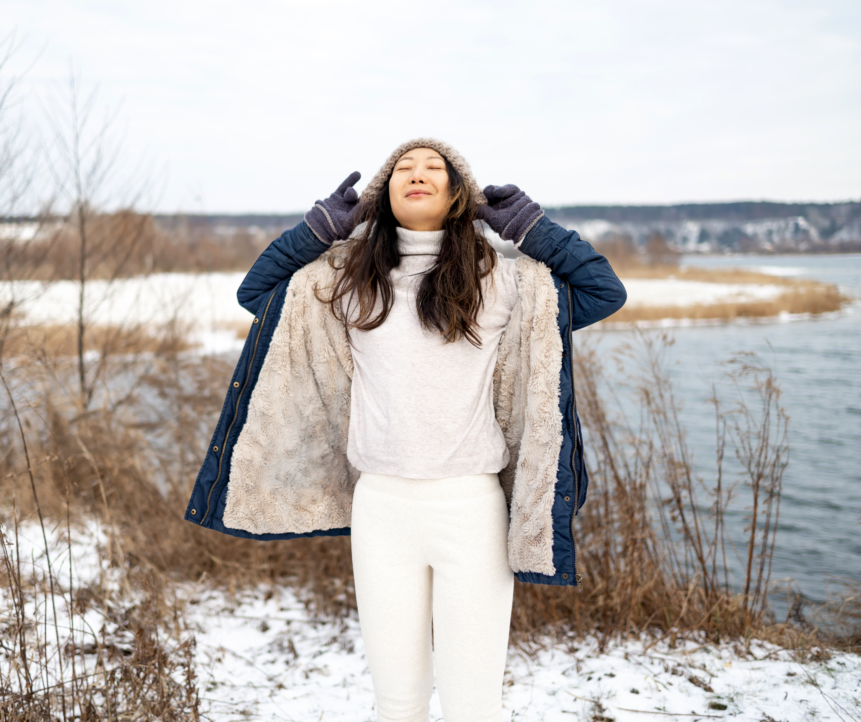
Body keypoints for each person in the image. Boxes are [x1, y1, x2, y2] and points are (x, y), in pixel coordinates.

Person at [184, 138, 627, 722]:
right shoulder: (348, 278)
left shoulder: (500, 279)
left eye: (433, 169)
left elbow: (604, 291)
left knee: (473, 706)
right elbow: (257, 293)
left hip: (470, 511)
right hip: (382, 510)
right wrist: (319, 231)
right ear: (381, 196)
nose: (416, 175)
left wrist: (529, 227)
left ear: (457, 194)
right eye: (402, 170)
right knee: (398, 703)